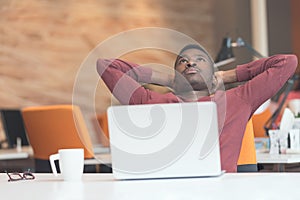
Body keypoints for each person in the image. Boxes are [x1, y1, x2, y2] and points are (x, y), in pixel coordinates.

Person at [97, 44, 298, 172]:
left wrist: (228, 76)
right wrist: (164, 78)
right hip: (167, 190)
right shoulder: (151, 102)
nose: (190, 62)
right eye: (182, 62)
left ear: (213, 74)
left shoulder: (237, 100)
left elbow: (287, 63)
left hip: (222, 191)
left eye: (199, 60)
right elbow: (106, 66)